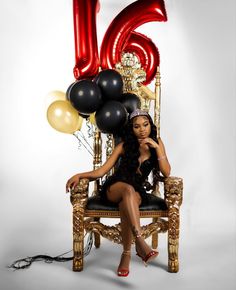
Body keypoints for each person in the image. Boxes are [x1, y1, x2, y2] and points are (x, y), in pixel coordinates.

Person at [66, 109, 171, 277]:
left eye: (145, 125)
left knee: (127, 200)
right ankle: (139, 241)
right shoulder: (124, 145)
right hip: (116, 186)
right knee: (127, 190)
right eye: (136, 126)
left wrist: (157, 148)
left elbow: (166, 172)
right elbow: (101, 171)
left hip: (135, 190)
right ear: (131, 129)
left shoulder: (157, 142)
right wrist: (80, 175)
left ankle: (126, 255)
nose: (142, 129)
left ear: (150, 125)